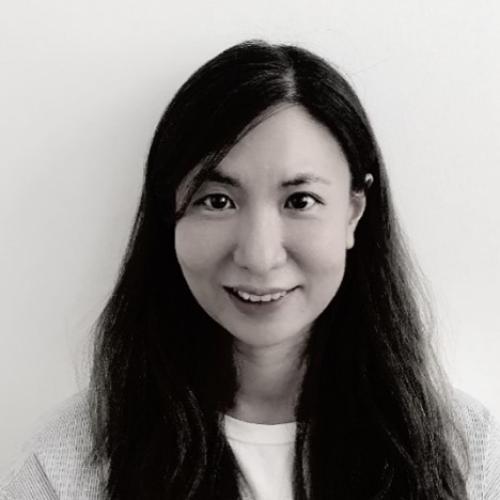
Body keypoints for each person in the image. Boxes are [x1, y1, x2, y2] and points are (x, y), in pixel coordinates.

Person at [2, 39, 500, 500]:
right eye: (217, 200)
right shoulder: (70, 462)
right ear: (169, 213)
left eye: (300, 200)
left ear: (353, 212)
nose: (260, 256)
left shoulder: (465, 450)